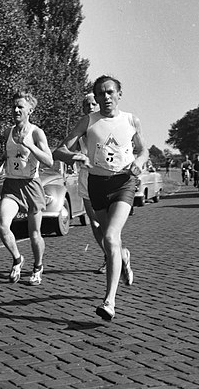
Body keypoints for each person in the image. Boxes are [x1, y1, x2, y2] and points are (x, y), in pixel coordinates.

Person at [54, 75, 149, 321]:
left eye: (110, 92)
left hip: (123, 183)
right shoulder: (88, 121)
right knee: (110, 241)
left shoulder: (131, 120)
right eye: (100, 93)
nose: (105, 97)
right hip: (96, 184)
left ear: (119, 94)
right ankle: (124, 257)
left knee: (109, 236)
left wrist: (138, 162)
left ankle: (109, 301)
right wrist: (74, 157)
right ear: (95, 98)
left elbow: (143, 149)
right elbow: (60, 150)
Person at [0, 91, 53, 286]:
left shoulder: (36, 133)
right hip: (12, 185)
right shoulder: (8, 132)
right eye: (14, 106)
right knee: (3, 224)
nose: (16, 110)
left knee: (34, 234)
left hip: (31, 185)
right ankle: (17, 259)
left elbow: (49, 161)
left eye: (20, 106)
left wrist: (31, 146)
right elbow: (7, 154)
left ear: (30, 110)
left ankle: (38, 267)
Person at [76, 93, 108, 274]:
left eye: (93, 104)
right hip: (86, 178)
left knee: (107, 224)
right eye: (87, 105)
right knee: (94, 223)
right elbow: (66, 149)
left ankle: (115, 255)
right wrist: (75, 156)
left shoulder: (107, 126)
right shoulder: (80, 128)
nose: (90, 107)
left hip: (104, 178)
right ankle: (108, 256)